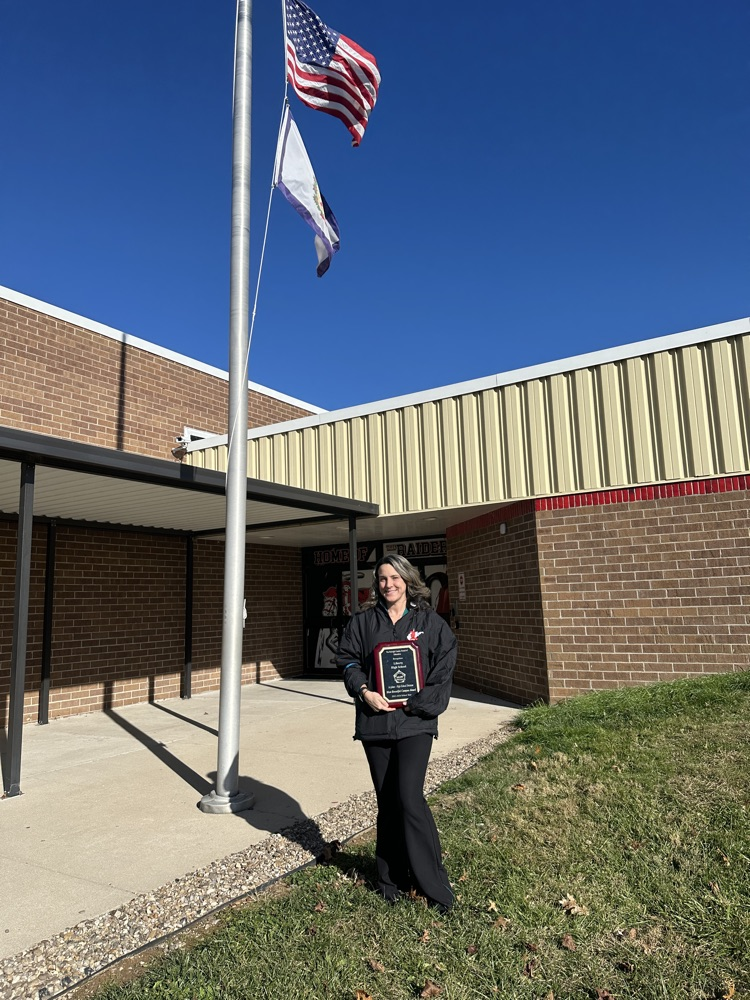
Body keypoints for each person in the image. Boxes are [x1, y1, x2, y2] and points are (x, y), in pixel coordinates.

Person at [337, 554, 458, 912]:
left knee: (409, 797)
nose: (388, 584)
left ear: (407, 580)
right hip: (375, 724)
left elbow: (445, 661)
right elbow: (347, 660)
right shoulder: (363, 622)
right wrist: (363, 691)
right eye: (382, 579)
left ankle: (434, 885)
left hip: (414, 723)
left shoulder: (428, 622)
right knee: (387, 802)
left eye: (394, 577)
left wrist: (421, 702)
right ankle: (391, 880)